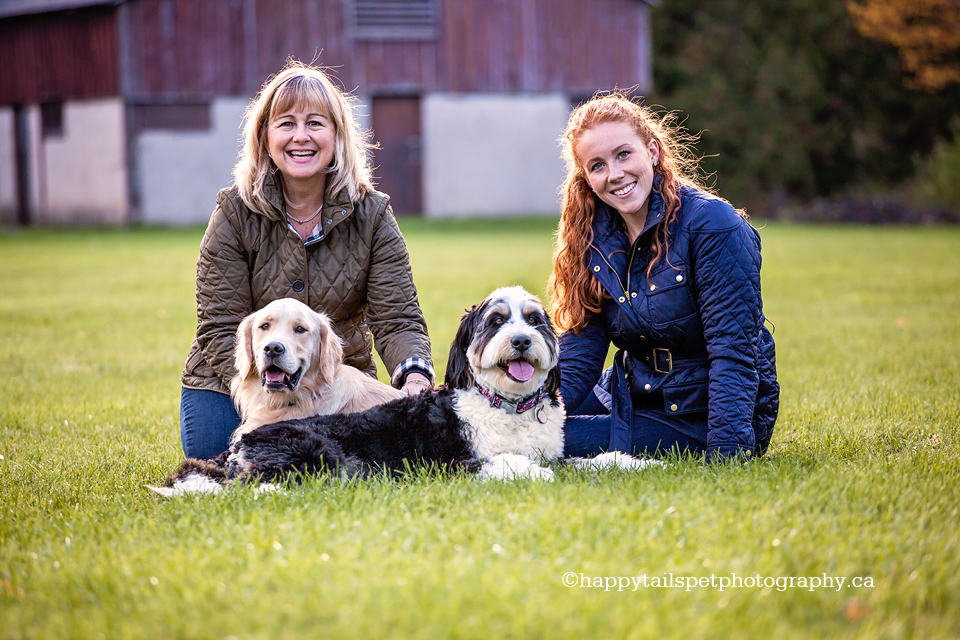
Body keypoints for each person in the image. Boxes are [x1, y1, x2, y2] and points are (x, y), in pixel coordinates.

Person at [179, 60, 434, 460]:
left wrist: (415, 377)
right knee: (216, 456)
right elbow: (220, 325)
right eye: (286, 124)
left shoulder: (373, 213)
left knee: (339, 463)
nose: (301, 137)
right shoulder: (232, 212)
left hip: (330, 383)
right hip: (234, 378)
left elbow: (397, 316)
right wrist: (271, 399)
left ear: (337, 135)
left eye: (315, 123)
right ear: (265, 137)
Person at [549, 93, 779, 463]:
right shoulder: (593, 234)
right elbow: (581, 352)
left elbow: (733, 353)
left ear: (653, 151)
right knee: (523, 432)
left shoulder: (713, 226)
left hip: (703, 413)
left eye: (623, 154)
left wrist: (727, 453)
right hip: (631, 391)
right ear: (587, 178)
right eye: (597, 165)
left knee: (555, 441)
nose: (614, 174)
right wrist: (525, 414)